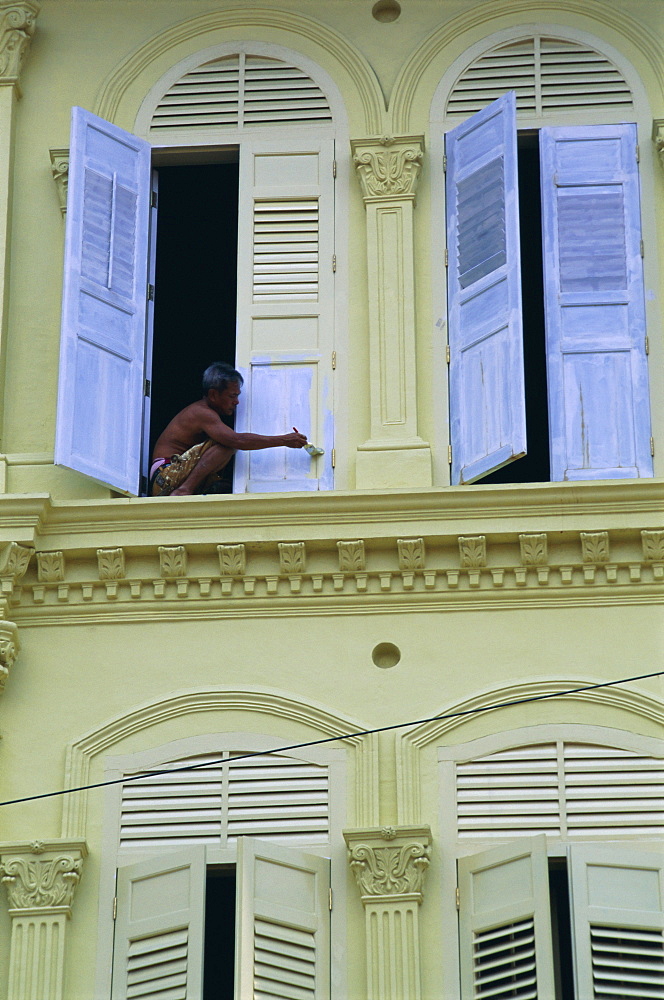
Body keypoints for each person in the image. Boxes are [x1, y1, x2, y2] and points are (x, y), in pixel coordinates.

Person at [150, 362, 308, 496]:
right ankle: (184, 490)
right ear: (213, 395)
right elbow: (237, 440)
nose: (237, 402)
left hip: (168, 478)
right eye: (232, 396)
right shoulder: (202, 413)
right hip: (166, 476)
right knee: (227, 444)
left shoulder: (207, 413)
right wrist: (283, 440)